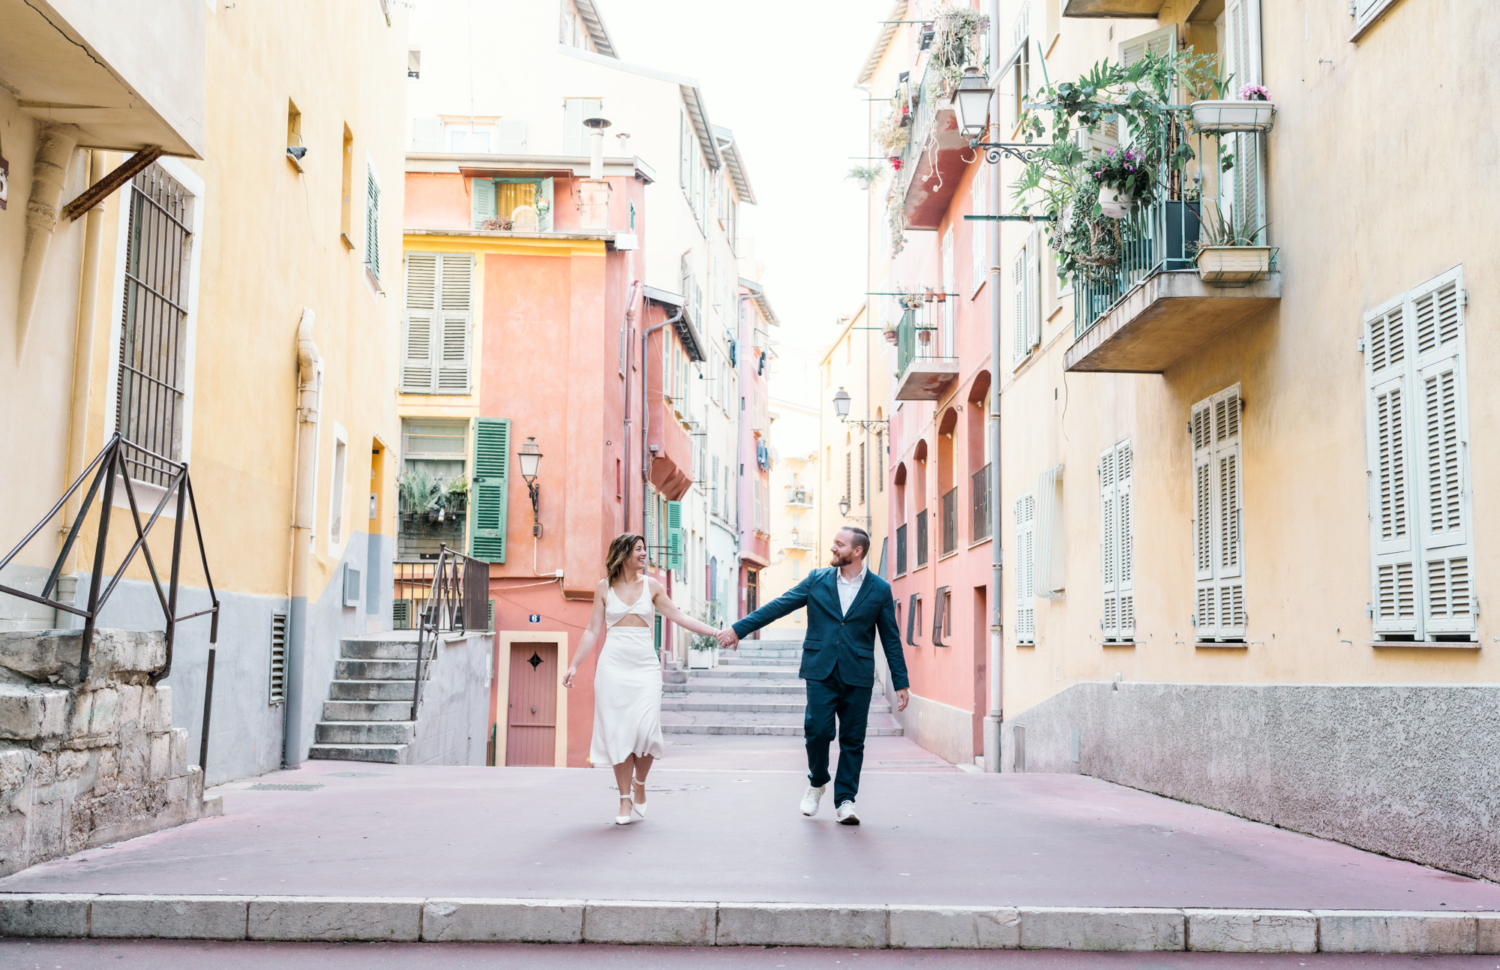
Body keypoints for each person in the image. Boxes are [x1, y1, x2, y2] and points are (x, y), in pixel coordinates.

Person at [717, 526, 908, 825]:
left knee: (852, 740)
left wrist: (901, 682)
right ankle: (817, 781)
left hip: (857, 672)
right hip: (820, 668)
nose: (832, 548)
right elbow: (779, 606)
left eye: (839, 544)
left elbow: (891, 638)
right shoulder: (816, 580)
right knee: (817, 731)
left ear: (857, 551)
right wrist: (739, 628)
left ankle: (845, 800)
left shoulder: (880, 589)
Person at [565, 533, 723, 825]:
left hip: (644, 666)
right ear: (623, 554)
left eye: (644, 549)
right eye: (638, 549)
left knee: (648, 731)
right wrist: (574, 665)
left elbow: (679, 616)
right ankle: (624, 799)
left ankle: (640, 783)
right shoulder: (604, 588)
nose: (644, 554)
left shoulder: (651, 586)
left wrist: (715, 633)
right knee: (618, 732)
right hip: (613, 666)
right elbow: (592, 630)